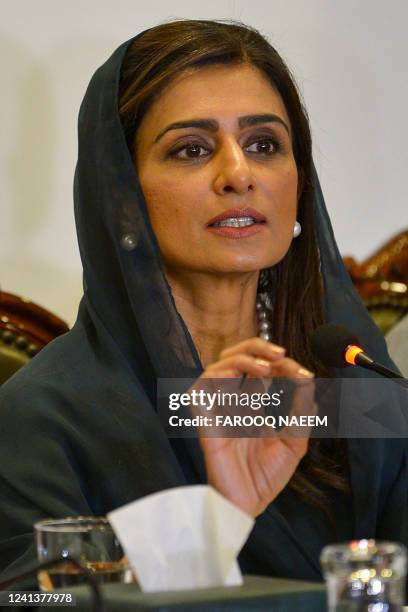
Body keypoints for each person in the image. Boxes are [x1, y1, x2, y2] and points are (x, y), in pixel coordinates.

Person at [0, 19, 407, 584]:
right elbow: (33, 600)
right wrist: (214, 525)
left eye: (264, 144)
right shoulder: (45, 418)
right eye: (191, 149)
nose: (239, 174)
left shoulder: (363, 394)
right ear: (121, 197)